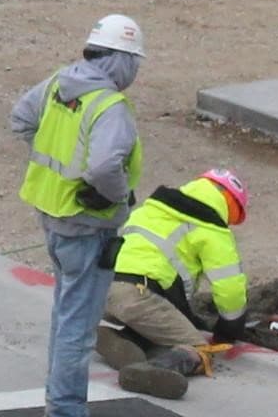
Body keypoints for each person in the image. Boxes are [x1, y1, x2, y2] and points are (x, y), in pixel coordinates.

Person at [12, 13, 146, 417]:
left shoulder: (60, 84)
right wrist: (117, 196)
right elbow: (106, 165)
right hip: (88, 228)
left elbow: (21, 119)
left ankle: (58, 406)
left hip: (53, 216)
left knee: (65, 315)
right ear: (120, 61)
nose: (135, 74)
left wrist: (64, 173)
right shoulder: (109, 106)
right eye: (134, 63)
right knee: (77, 326)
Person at [101, 168, 257, 401]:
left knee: (160, 326)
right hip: (139, 296)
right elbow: (230, 291)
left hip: (102, 290)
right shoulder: (212, 229)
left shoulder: (152, 209)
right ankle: (155, 369)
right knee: (198, 349)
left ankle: (124, 341)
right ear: (231, 206)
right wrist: (228, 332)